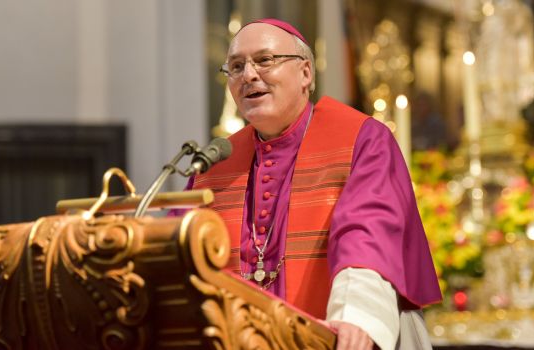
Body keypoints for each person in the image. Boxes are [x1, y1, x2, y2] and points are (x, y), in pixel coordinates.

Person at [187, 19, 442, 350]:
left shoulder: (360, 139)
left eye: (264, 60)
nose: (249, 75)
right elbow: (181, 251)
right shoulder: (215, 164)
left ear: (305, 73)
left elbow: (368, 230)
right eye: (236, 66)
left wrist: (356, 314)